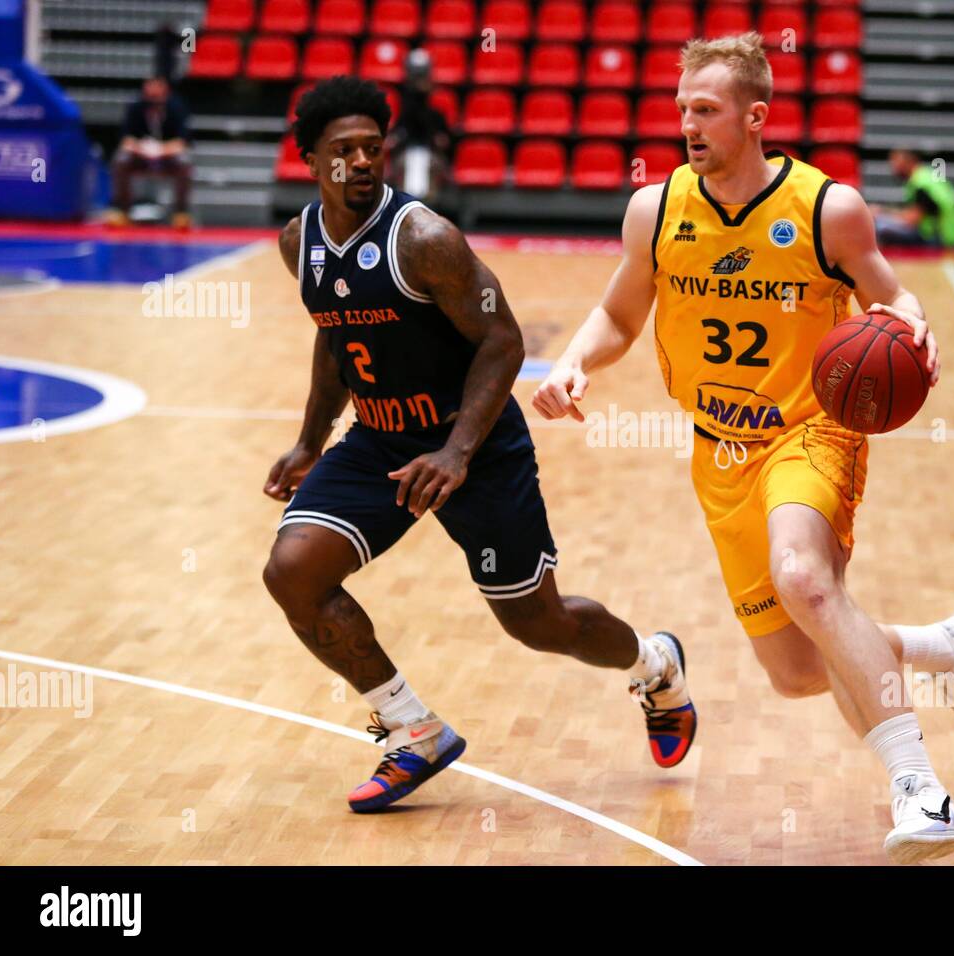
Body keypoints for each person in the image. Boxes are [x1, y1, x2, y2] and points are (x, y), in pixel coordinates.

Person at [532, 33, 954, 863]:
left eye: (704, 110)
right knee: (798, 671)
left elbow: (896, 301)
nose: (687, 124)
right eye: (681, 109)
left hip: (810, 430)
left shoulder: (830, 209)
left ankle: (921, 792)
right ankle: (945, 647)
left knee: (805, 580)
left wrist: (912, 334)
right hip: (717, 452)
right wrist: (573, 363)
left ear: (755, 116)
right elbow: (618, 316)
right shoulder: (658, 208)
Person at [261, 77, 696, 813]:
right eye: (344, 152)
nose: (363, 162)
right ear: (310, 161)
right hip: (379, 440)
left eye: (374, 148)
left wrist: (457, 452)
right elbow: (336, 342)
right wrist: (310, 442)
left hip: (477, 442)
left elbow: (503, 341)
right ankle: (413, 731)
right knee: (292, 572)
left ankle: (656, 667)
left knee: (538, 623)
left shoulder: (425, 239)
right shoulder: (298, 242)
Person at [107, 75, 193, 229]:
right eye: (150, 86)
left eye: (157, 86)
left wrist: (160, 150)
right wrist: (143, 149)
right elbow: (125, 139)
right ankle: (121, 210)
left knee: (184, 162)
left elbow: (182, 142)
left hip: (167, 156)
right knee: (121, 160)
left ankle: (181, 213)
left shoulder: (176, 108)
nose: (153, 91)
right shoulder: (135, 107)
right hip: (141, 155)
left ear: (165, 89)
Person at [386, 49, 452, 206]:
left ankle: (428, 208)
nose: (418, 81)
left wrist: (440, 140)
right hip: (405, 151)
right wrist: (395, 139)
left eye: (421, 75)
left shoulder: (438, 100)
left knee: (430, 168)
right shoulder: (403, 101)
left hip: (431, 153)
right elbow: (398, 131)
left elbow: (445, 137)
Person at [869, 148, 954, 247]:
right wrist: (882, 210)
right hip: (938, 233)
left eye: (896, 162)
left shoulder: (921, 185)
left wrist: (881, 213)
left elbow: (912, 219)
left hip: (938, 237)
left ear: (909, 161)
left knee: (881, 227)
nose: (893, 168)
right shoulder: (925, 176)